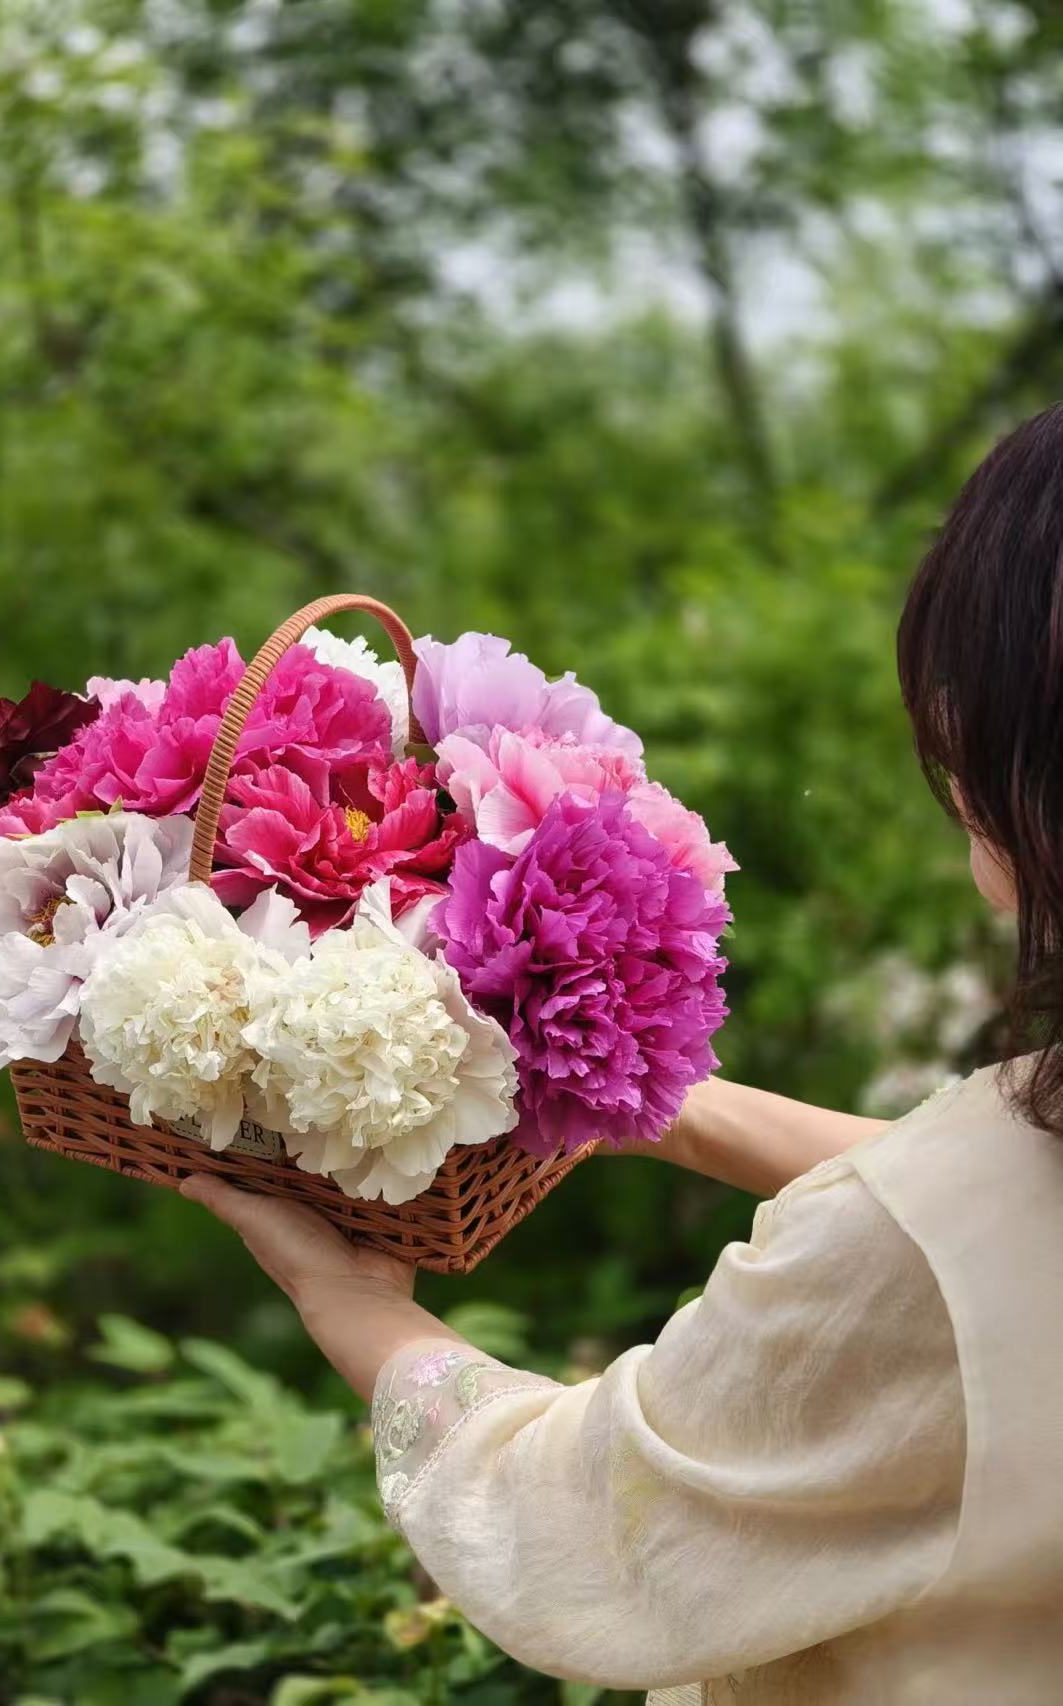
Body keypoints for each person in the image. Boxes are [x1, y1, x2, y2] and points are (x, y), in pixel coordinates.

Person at [181, 404, 1063, 1703]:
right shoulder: (981, 1200)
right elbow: (973, 1234)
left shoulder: (929, 1244)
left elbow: (582, 1520)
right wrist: (645, 1100)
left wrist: (354, 1306)